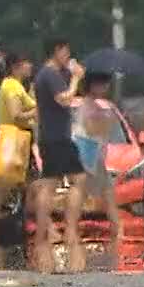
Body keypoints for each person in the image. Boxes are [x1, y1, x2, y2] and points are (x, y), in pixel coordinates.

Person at [28, 37, 86, 272]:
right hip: (56, 137)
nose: (67, 56)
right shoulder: (50, 74)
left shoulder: (49, 75)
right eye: (66, 51)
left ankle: (49, 224)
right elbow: (64, 99)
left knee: (51, 180)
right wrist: (76, 78)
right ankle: (68, 225)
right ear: (57, 51)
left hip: (53, 135)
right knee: (76, 179)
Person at [0, 52, 37, 253]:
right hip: (12, 140)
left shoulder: (14, 86)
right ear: (17, 66)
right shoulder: (11, 87)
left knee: (13, 188)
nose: (30, 66)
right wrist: (36, 111)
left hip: (18, 140)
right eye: (27, 63)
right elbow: (16, 115)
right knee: (1, 190)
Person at [72, 69, 123, 267]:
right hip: (87, 156)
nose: (106, 88)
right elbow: (93, 130)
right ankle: (72, 226)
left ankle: (117, 228)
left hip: (94, 157)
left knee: (106, 191)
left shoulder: (95, 105)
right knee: (85, 192)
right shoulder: (87, 106)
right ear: (93, 86)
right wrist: (106, 121)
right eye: (103, 84)